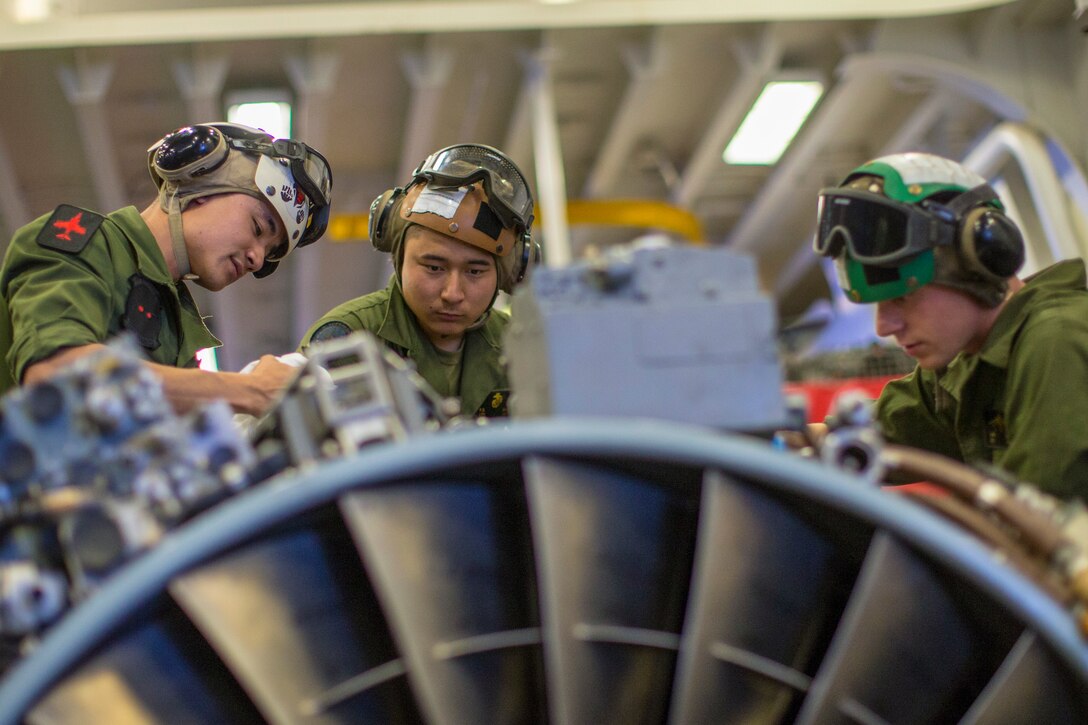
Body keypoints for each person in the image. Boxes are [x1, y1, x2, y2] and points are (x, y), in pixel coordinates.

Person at [0, 122, 332, 416]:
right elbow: (55, 375)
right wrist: (248, 390)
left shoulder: (178, 323)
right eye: (258, 228)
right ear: (202, 186)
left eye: (269, 253)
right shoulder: (88, 244)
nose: (257, 259)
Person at [812, 150, 1088, 500]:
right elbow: (862, 439)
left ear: (982, 257)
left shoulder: (1056, 339)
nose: (884, 326)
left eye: (902, 297)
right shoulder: (965, 364)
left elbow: (1040, 529)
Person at [298, 143, 537, 418]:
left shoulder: (521, 347)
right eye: (434, 267)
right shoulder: (342, 341)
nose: (452, 293)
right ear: (399, 259)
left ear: (509, 273)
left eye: (475, 272)